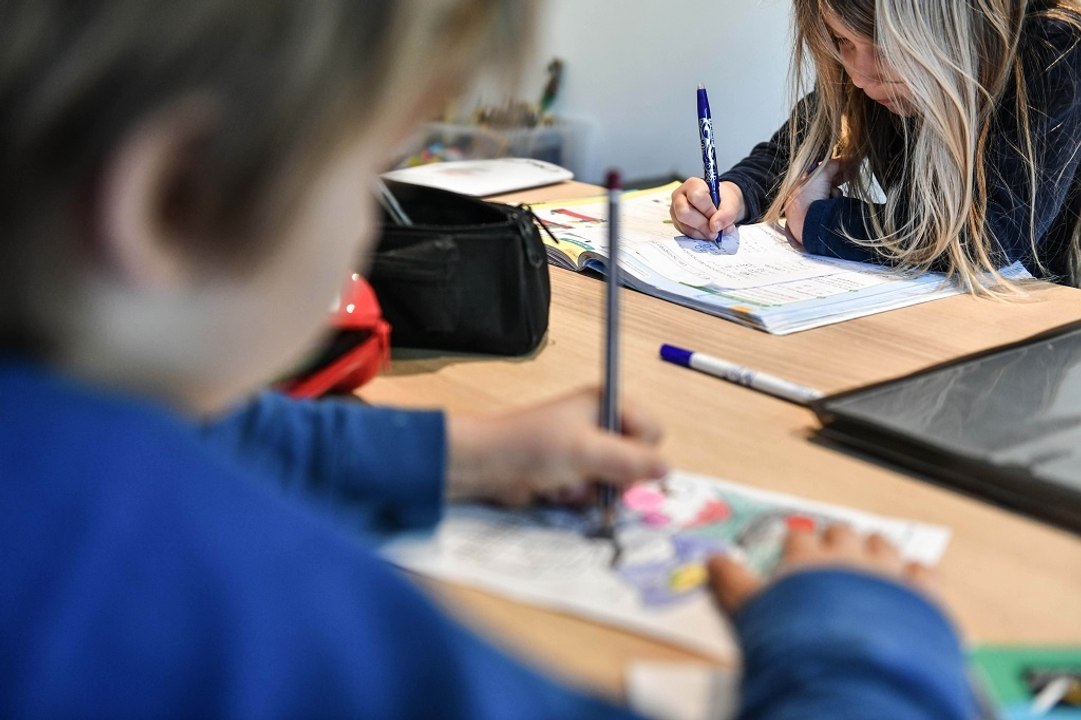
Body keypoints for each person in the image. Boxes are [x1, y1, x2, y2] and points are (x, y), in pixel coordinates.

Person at [0, 1, 974, 717]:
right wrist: (861, 640)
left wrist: (457, 454)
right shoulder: (203, 586)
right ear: (178, 202)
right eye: (369, 170)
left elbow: (208, 438)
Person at [671, 0, 1081, 292]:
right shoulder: (867, 72)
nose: (860, 74)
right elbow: (793, 150)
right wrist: (733, 194)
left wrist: (816, 220)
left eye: (884, 43)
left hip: (1040, 345)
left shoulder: (1054, 47)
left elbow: (989, 236)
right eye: (842, 40)